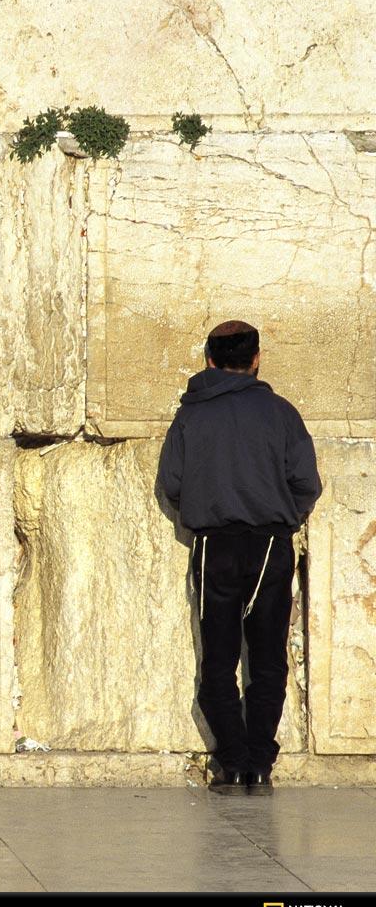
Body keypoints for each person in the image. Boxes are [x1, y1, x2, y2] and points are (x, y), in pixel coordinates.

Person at [159, 320, 321, 796]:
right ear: (256, 360)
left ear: (209, 359)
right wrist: (283, 516)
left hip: (215, 547)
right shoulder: (281, 413)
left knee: (218, 659)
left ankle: (231, 763)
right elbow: (306, 483)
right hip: (271, 545)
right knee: (268, 661)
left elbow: (172, 483)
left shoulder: (191, 416)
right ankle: (258, 765)